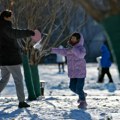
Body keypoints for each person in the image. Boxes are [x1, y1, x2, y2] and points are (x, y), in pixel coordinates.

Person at [0, 10, 35, 108]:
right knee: (18, 80)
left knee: (4, 80)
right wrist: (29, 32)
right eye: (11, 16)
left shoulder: (2, 26)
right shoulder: (5, 27)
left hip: (3, 59)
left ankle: (21, 101)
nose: (12, 17)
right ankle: (21, 101)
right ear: (5, 17)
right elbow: (15, 33)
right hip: (10, 58)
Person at [51, 33, 87, 109]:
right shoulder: (68, 49)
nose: (72, 39)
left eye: (74, 38)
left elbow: (80, 55)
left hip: (80, 72)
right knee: (72, 87)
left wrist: (72, 49)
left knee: (79, 88)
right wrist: (50, 50)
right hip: (72, 72)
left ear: (78, 40)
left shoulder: (81, 48)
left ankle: (83, 101)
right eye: (71, 38)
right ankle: (82, 94)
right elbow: (60, 51)